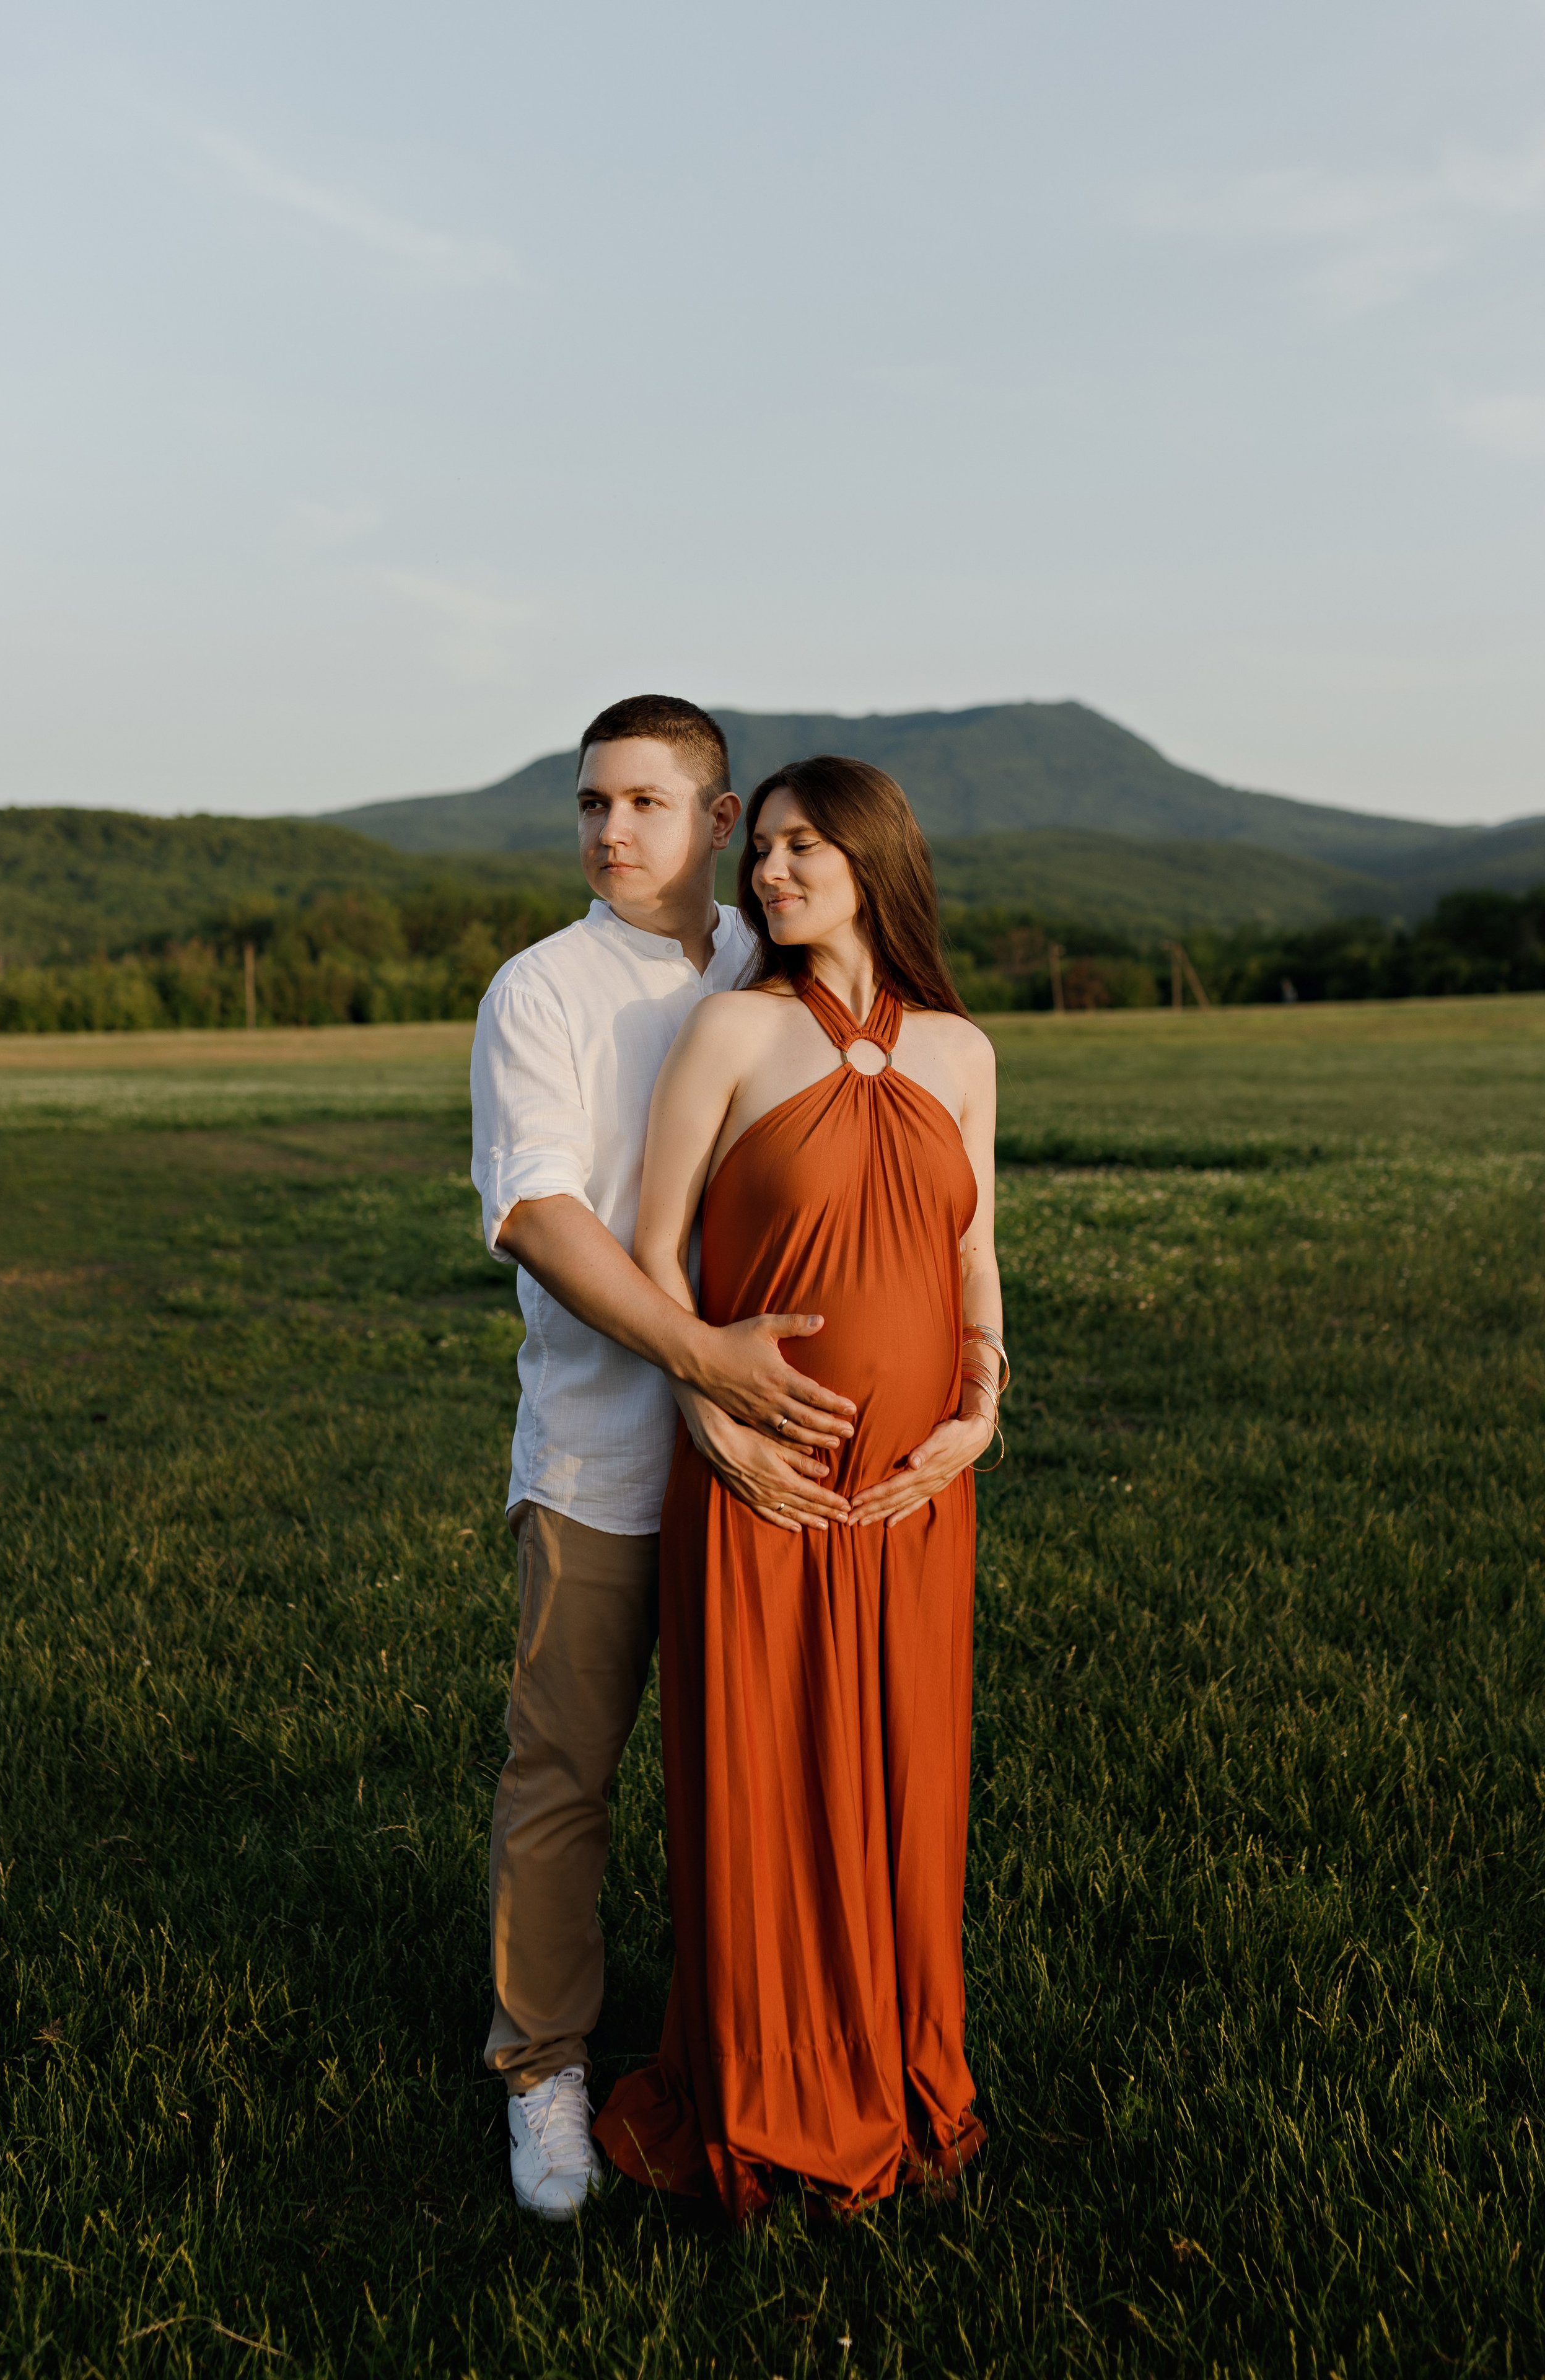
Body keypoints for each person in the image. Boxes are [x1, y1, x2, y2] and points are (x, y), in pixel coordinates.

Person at [593, 755, 1004, 2221]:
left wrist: (981, 1404)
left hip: (914, 1494)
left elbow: (971, 1252)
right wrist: (709, 1409)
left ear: (876, 856)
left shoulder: (960, 1050)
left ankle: (901, 2071)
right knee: (764, 1785)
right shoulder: (728, 1030)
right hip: (759, 1481)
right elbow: (652, 1259)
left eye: (801, 845)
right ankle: (774, 2096)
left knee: (905, 1784)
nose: (768, 871)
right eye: (759, 846)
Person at [470, 695, 860, 2223]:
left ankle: (744, 2056)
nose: (607, 832)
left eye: (642, 803)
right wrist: (701, 1355)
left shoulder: (778, 966)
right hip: (603, 1458)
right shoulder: (543, 988)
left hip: (767, 1459)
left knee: (751, 1775)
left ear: (717, 822)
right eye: (587, 805)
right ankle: (542, 2068)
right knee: (564, 1771)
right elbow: (541, 1215)